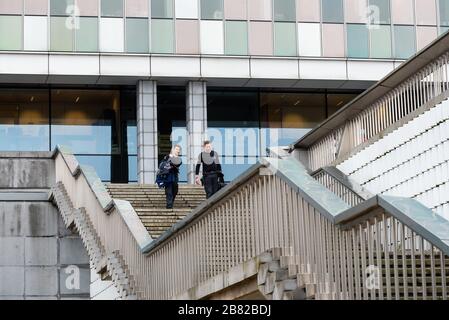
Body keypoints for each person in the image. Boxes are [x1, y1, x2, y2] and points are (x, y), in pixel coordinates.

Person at [163, 144, 182, 209]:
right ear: (173, 150)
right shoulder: (167, 157)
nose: (178, 151)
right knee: (169, 191)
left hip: (174, 177)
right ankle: (169, 205)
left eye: (178, 150)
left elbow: (177, 164)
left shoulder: (178, 159)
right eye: (176, 149)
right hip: (168, 177)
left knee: (175, 191)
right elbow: (164, 164)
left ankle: (170, 202)